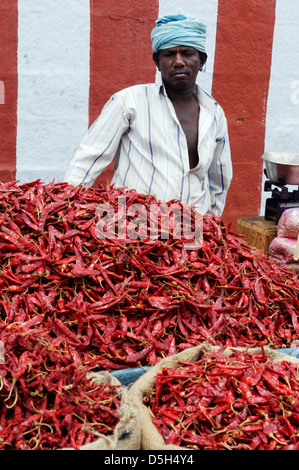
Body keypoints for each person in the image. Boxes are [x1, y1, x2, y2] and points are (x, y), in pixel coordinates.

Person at [64, 13, 232, 216]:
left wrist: (210, 224)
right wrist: (65, 207)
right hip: (131, 225)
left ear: (201, 60)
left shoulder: (214, 113)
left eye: (187, 53)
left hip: (189, 226)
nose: (178, 62)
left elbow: (219, 181)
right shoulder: (130, 101)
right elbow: (88, 157)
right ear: (157, 62)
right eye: (169, 54)